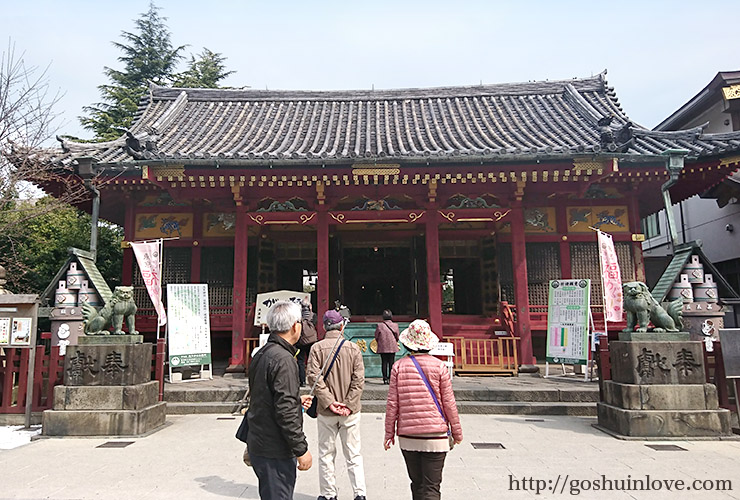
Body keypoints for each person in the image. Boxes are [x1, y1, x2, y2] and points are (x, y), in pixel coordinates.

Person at [383, 319, 463, 500]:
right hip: (435, 435)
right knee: (432, 487)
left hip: (408, 436)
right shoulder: (439, 366)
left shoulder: (398, 366)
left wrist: (389, 433)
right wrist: (457, 432)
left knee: (417, 485)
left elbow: (392, 404)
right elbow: (449, 403)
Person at [247, 300, 314, 500]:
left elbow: (264, 395)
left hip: (260, 441)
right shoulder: (284, 359)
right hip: (275, 447)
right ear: (296, 325)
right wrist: (301, 449)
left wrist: (295, 400)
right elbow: (285, 412)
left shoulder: (262, 353)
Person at [306, 309, 367, 500]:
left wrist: (330, 402)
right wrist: (348, 404)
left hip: (326, 411)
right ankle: (360, 493)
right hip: (350, 412)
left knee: (326, 453)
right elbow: (359, 380)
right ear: (342, 326)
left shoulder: (316, 348)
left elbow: (313, 377)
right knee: (353, 454)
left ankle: (328, 494)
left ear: (324, 327)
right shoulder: (353, 348)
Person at [374, 309, 400, 384]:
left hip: (383, 346)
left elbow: (376, 336)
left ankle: (385, 378)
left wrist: (380, 342)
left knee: (384, 362)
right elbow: (397, 336)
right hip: (392, 346)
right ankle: (391, 378)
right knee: (391, 362)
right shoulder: (395, 325)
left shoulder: (380, 325)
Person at [296, 299, 318, 386]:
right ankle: (312, 380)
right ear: (310, 306)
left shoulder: (298, 316)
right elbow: (315, 325)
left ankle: (302, 381)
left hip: (300, 341)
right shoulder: (313, 315)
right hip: (311, 341)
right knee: (311, 361)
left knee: (300, 361)